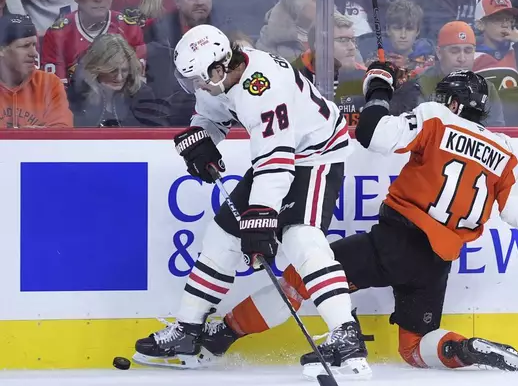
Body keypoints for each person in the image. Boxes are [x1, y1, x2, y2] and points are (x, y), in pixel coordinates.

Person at [176, 66, 518, 374]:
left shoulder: (437, 119)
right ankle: (462, 349)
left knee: (299, 280)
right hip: (436, 264)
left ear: (458, 103)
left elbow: (373, 132)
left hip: (395, 242)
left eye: (447, 97)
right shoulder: (506, 152)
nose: (441, 101)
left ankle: (222, 335)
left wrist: (379, 87)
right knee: (414, 349)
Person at [132, 24, 370, 379]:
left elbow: (276, 158)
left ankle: (346, 335)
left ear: (218, 67)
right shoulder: (218, 76)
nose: (196, 86)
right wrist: (203, 139)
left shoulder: (264, 85)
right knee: (222, 236)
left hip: (317, 154)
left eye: (198, 78)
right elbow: (211, 115)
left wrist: (261, 214)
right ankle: (187, 330)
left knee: (300, 237)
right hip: (281, 156)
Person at [391, 20, 506, 125]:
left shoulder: (487, 88)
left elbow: (497, 132)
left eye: (468, 51)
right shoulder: (418, 85)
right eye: (455, 51)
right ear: (439, 53)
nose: (462, 58)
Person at [41, 0, 145, 86]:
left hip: (122, 103)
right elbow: (56, 91)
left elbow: (137, 85)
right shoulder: (58, 34)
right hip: (75, 104)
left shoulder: (129, 29)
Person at [67, 33, 168, 127]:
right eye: (112, 71)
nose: (119, 78)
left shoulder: (142, 93)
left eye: (124, 70)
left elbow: (153, 134)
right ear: (97, 68)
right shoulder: (79, 90)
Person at [0, 14, 72, 128]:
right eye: (25, 46)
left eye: (34, 45)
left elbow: (63, 129)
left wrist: (36, 137)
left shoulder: (49, 83)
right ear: (2, 50)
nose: (34, 53)